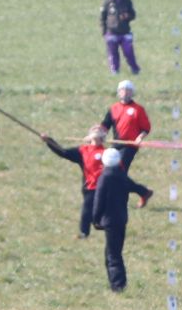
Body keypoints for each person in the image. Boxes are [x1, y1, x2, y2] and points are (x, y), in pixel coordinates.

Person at [90, 147, 153, 293]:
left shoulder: (104, 177)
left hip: (109, 221)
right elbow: (135, 187)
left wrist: (95, 219)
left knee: (113, 254)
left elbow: (99, 201)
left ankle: (118, 285)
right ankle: (117, 282)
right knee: (114, 251)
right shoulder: (121, 175)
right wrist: (144, 192)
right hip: (122, 218)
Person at [42, 124, 109, 240]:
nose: (97, 130)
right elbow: (63, 152)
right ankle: (88, 231)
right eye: (94, 129)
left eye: (99, 130)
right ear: (90, 135)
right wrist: (49, 141)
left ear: (103, 136)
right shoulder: (82, 151)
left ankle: (93, 228)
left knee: (94, 211)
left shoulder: (106, 152)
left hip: (104, 186)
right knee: (89, 210)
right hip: (89, 186)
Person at [102, 80, 152, 173]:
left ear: (132, 93)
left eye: (128, 90)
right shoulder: (113, 108)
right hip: (116, 144)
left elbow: (146, 128)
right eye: (122, 90)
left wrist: (140, 138)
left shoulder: (138, 109)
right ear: (118, 92)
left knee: (120, 168)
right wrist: (98, 135)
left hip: (130, 145)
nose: (125, 92)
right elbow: (105, 125)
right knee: (107, 167)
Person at [101, 0, 139, 74]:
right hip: (111, 32)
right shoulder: (107, 1)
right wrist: (104, 32)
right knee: (113, 53)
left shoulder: (126, 0)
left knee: (129, 52)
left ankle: (135, 69)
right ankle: (115, 71)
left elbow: (133, 14)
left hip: (125, 31)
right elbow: (103, 17)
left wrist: (127, 16)